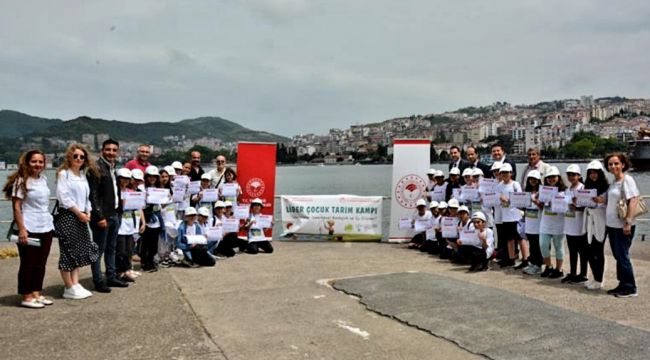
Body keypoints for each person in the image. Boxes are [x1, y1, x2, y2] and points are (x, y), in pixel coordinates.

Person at [3, 150, 55, 308]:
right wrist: (22, 229)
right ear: (26, 162)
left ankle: (36, 293)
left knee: (41, 263)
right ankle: (26, 296)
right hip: (29, 226)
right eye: (34, 161)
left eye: (40, 162)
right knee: (28, 263)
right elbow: (17, 207)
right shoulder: (21, 181)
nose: (37, 165)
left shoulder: (43, 179)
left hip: (45, 226)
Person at [55, 144, 99, 300]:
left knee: (79, 251)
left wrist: (88, 212)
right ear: (69, 157)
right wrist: (79, 213)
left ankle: (75, 283)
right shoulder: (63, 174)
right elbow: (64, 197)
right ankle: (68, 286)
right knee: (68, 251)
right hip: (68, 216)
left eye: (82, 156)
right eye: (75, 156)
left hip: (82, 217)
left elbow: (87, 198)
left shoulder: (82, 175)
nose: (79, 159)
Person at [88, 139, 127, 293]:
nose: (111, 152)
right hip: (103, 216)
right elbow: (93, 195)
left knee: (111, 248)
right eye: (108, 149)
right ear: (102, 151)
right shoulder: (96, 168)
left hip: (114, 214)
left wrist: (119, 212)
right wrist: (99, 216)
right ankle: (98, 281)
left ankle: (111, 277)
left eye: (114, 150)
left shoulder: (112, 168)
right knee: (98, 249)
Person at [601, 152, 640, 298]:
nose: (613, 166)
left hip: (623, 225)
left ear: (623, 165)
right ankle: (622, 283)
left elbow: (633, 200)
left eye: (616, 163)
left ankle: (630, 287)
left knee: (623, 256)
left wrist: (628, 221)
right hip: (612, 225)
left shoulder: (627, 180)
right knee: (618, 256)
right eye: (610, 164)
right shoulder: (613, 183)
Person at [583, 160, 609, 290]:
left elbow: (610, 203)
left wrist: (602, 200)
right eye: (590, 173)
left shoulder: (606, 188)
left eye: (595, 173)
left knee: (598, 250)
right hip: (589, 219)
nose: (593, 175)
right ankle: (594, 277)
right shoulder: (586, 187)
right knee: (589, 249)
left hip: (601, 220)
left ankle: (599, 279)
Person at [115, 168, 144, 283]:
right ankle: (119, 271)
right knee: (120, 250)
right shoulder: (116, 192)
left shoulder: (131, 192)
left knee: (129, 249)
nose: (125, 181)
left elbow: (139, 207)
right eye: (123, 178)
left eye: (127, 179)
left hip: (131, 225)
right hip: (120, 225)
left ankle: (127, 269)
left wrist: (143, 222)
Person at [562, 164, 589, 284]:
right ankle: (573, 273)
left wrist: (576, 208)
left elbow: (586, 207)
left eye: (574, 175)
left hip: (580, 225)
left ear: (579, 176)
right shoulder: (568, 190)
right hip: (569, 225)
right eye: (569, 175)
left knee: (582, 251)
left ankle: (583, 274)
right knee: (572, 251)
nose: (571, 177)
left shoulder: (583, 188)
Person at [538, 166, 566, 279]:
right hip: (545, 223)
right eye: (549, 177)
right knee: (543, 245)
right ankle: (548, 266)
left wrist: (555, 203)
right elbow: (541, 206)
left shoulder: (564, 192)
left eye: (553, 177)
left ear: (558, 177)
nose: (551, 179)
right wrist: (537, 201)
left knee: (558, 246)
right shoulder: (543, 191)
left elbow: (566, 208)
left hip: (558, 223)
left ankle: (558, 269)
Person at [497, 163, 525, 268]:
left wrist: (508, 200)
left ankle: (525, 258)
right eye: (502, 173)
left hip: (516, 216)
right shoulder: (499, 186)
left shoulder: (515, 184)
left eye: (506, 173)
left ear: (511, 173)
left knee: (520, 238)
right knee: (509, 239)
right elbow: (497, 199)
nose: (504, 175)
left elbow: (521, 199)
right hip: (505, 216)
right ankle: (511, 258)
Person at [140, 166, 163, 272]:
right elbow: (139, 204)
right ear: (146, 177)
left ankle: (151, 260)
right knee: (145, 243)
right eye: (150, 176)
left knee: (154, 244)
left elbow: (161, 205)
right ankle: (144, 262)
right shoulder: (142, 188)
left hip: (157, 219)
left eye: (155, 176)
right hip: (147, 218)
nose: (152, 178)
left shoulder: (159, 188)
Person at [522, 170, 544, 275]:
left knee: (537, 245)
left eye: (535, 179)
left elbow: (544, 207)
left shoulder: (542, 193)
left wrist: (536, 201)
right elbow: (524, 207)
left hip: (538, 223)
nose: (532, 181)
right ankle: (532, 263)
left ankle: (538, 265)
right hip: (529, 223)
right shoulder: (527, 193)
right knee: (531, 244)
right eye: (531, 179)